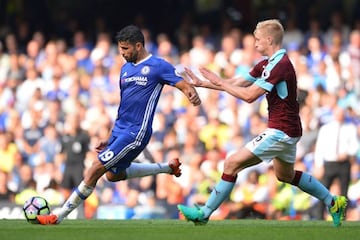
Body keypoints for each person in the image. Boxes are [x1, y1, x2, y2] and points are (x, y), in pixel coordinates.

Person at [178, 19, 347, 227]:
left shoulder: (280, 65)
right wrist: (204, 84)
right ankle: (333, 202)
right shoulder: (267, 63)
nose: (254, 43)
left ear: (269, 39)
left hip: (280, 130)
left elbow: (249, 96)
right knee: (285, 175)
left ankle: (204, 213)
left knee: (231, 163)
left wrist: (219, 81)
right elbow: (238, 84)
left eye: (257, 39)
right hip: (289, 129)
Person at [37, 25, 201, 224]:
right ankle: (167, 167)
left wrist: (191, 94)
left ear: (138, 46)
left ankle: (58, 216)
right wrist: (110, 135)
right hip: (120, 130)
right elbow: (124, 106)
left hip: (136, 133)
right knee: (113, 177)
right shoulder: (125, 69)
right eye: (120, 48)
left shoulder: (158, 65)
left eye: (125, 49)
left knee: (94, 168)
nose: (122, 53)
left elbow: (182, 83)